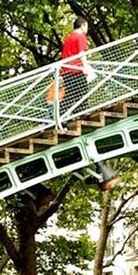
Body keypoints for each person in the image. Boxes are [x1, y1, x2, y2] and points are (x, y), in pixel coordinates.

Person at [55, 17, 119, 189]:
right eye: (87, 26)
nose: (87, 29)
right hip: (77, 71)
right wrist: (87, 69)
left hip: (66, 71)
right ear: (83, 25)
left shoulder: (68, 38)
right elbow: (82, 55)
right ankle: (78, 119)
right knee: (82, 98)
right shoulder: (80, 37)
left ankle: (65, 121)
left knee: (71, 99)